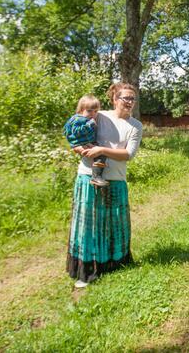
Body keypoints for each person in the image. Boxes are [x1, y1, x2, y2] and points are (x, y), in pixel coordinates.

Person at [66, 83, 143, 289]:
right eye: (125, 98)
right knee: (89, 227)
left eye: (132, 99)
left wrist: (101, 149)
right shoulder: (99, 115)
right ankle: (86, 271)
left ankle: (115, 266)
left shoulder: (136, 126)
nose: (129, 102)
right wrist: (81, 151)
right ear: (114, 99)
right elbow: (75, 136)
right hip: (87, 178)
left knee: (115, 226)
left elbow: (128, 154)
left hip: (116, 180)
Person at [63, 94, 108, 187]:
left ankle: (96, 176)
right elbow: (75, 131)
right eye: (89, 111)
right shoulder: (78, 119)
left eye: (95, 111)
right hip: (82, 143)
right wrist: (90, 124)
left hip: (86, 142)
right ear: (81, 109)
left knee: (100, 155)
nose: (93, 114)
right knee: (101, 155)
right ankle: (96, 176)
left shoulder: (84, 118)